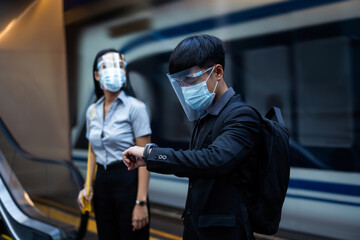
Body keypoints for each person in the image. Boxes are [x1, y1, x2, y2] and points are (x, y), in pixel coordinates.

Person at [123, 34, 260, 240]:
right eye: (180, 83)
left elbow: (212, 160)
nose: (186, 88)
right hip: (199, 229)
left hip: (224, 234)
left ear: (218, 72)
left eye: (190, 79)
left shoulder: (242, 116)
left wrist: (150, 153)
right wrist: (147, 159)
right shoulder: (205, 116)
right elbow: (194, 163)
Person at [77, 48, 152, 240]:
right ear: (96, 75)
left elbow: (145, 157)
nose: (115, 70)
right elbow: (93, 150)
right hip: (102, 183)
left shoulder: (136, 108)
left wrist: (141, 203)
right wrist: (88, 185)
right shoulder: (92, 111)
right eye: (107, 66)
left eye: (120, 66)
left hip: (128, 180)